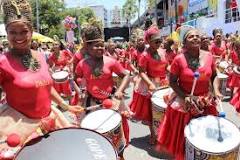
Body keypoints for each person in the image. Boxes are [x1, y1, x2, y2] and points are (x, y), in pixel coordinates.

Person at [0, 0, 83, 157]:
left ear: (31, 31)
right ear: (7, 32)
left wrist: (66, 106)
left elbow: (46, 87)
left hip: (48, 122)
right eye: (13, 32)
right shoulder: (2, 62)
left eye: (23, 31)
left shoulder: (40, 56)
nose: (18, 37)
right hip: (18, 129)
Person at [157, 29, 222, 160]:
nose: (195, 38)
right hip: (185, 100)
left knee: (205, 138)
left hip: (205, 101)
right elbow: (173, 82)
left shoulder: (208, 56)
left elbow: (214, 75)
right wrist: (185, 96)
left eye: (197, 36)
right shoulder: (179, 59)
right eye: (191, 36)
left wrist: (216, 90)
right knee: (184, 141)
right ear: (184, 42)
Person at [75, 25, 130, 160]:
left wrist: (120, 90)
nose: (100, 48)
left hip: (111, 100)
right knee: (94, 132)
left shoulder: (111, 61)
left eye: (101, 45)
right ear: (87, 48)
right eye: (96, 46)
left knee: (115, 130)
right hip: (91, 100)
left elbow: (126, 75)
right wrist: (82, 88)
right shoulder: (82, 64)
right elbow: (77, 77)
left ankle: (120, 155)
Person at [129, 25, 168, 145]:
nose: (158, 42)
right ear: (149, 41)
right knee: (151, 112)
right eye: (155, 40)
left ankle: (163, 132)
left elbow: (167, 66)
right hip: (149, 84)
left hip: (163, 83)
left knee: (164, 111)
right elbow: (141, 72)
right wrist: (150, 84)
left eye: (159, 40)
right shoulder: (145, 55)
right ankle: (153, 134)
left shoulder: (163, 52)